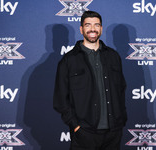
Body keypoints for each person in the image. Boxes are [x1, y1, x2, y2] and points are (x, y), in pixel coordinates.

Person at [53, 11, 127, 150]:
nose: (92, 29)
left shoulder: (113, 56)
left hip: (113, 132)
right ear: (81, 29)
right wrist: (75, 126)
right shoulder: (69, 60)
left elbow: (121, 90)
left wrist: (120, 120)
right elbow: (60, 99)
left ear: (101, 28)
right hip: (84, 133)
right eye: (88, 25)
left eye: (96, 25)